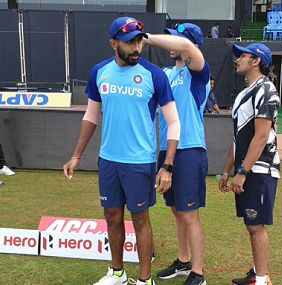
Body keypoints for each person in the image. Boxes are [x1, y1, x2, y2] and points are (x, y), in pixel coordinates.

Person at [63, 16, 181, 285]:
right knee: (112, 216)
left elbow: (174, 122)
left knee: (140, 219)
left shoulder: (155, 75)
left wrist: (167, 165)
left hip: (139, 162)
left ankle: (144, 280)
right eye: (129, 42)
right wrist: (76, 155)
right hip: (108, 161)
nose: (136, 47)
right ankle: (117, 273)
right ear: (113, 43)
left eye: (139, 41)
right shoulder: (99, 72)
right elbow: (91, 116)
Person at [144, 23, 210, 285]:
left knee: (189, 214)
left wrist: (146, 38)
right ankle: (183, 261)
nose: (171, 44)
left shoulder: (198, 73)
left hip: (190, 150)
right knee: (176, 211)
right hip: (167, 150)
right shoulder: (167, 74)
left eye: (175, 39)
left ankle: (198, 273)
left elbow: (185, 47)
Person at [219, 43, 280, 285]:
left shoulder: (267, 90)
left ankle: (262, 279)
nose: (237, 59)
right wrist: (226, 170)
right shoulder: (244, 94)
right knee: (251, 224)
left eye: (242, 55)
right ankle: (257, 273)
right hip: (246, 169)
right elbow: (238, 138)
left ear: (256, 61)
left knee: (256, 226)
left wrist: (242, 171)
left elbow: (261, 136)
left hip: (261, 169)